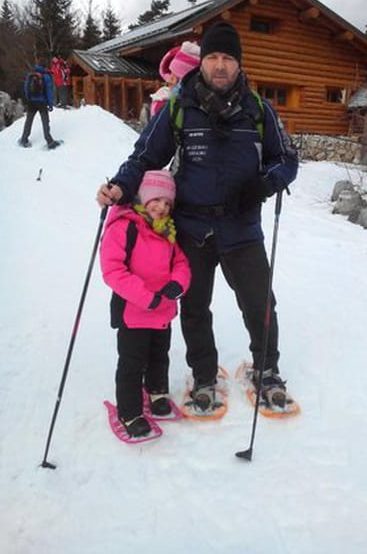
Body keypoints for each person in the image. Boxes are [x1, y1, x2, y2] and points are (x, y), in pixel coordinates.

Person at [97, 22, 299, 413]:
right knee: (193, 308)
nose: (220, 65)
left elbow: (286, 159)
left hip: (242, 227)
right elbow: (145, 157)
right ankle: (204, 374)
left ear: (239, 64)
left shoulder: (258, 110)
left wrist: (265, 184)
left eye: (228, 58)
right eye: (213, 57)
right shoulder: (178, 107)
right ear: (201, 62)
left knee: (259, 303)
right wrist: (120, 186)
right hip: (192, 229)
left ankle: (266, 368)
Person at [100, 170, 191, 437]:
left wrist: (178, 283)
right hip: (134, 312)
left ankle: (157, 391)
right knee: (132, 363)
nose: (161, 207)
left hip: (162, 310)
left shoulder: (167, 231)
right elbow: (113, 270)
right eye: (157, 199)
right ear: (143, 196)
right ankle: (130, 412)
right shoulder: (125, 226)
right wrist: (145, 297)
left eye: (167, 203)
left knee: (159, 356)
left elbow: (181, 262)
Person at [150, 40, 200, 118]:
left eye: (177, 77)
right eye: (171, 73)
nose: (170, 79)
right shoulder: (163, 99)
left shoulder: (198, 105)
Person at [19, 60, 60, 149]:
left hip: (31, 102)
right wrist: (50, 104)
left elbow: (26, 88)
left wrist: (28, 99)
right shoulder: (46, 76)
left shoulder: (30, 75)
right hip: (42, 102)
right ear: (45, 67)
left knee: (29, 121)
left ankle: (24, 139)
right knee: (45, 121)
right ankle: (49, 141)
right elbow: (49, 91)